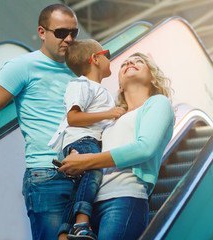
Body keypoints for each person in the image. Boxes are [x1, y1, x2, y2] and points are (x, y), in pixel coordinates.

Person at [0, 4, 80, 240]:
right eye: (60, 33)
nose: (68, 39)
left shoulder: (79, 69)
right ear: (41, 32)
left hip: (84, 173)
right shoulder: (22, 66)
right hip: (47, 175)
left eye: (73, 33)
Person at [58, 52, 175, 240]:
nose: (130, 62)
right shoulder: (110, 121)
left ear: (152, 77)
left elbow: (144, 148)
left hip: (124, 198)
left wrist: (85, 161)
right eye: (125, 63)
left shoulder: (158, 103)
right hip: (90, 204)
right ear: (119, 85)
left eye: (139, 61)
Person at [48, 39, 126, 240]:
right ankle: (82, 223)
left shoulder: (99, 90)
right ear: (96, 59)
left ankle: (64, 233)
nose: (109, 59)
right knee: (93, 172)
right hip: (82, 140)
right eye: (106, 54)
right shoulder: (81, 84)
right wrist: (108, 114)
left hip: (89, 140)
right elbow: (73, 118)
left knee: (78, 188)